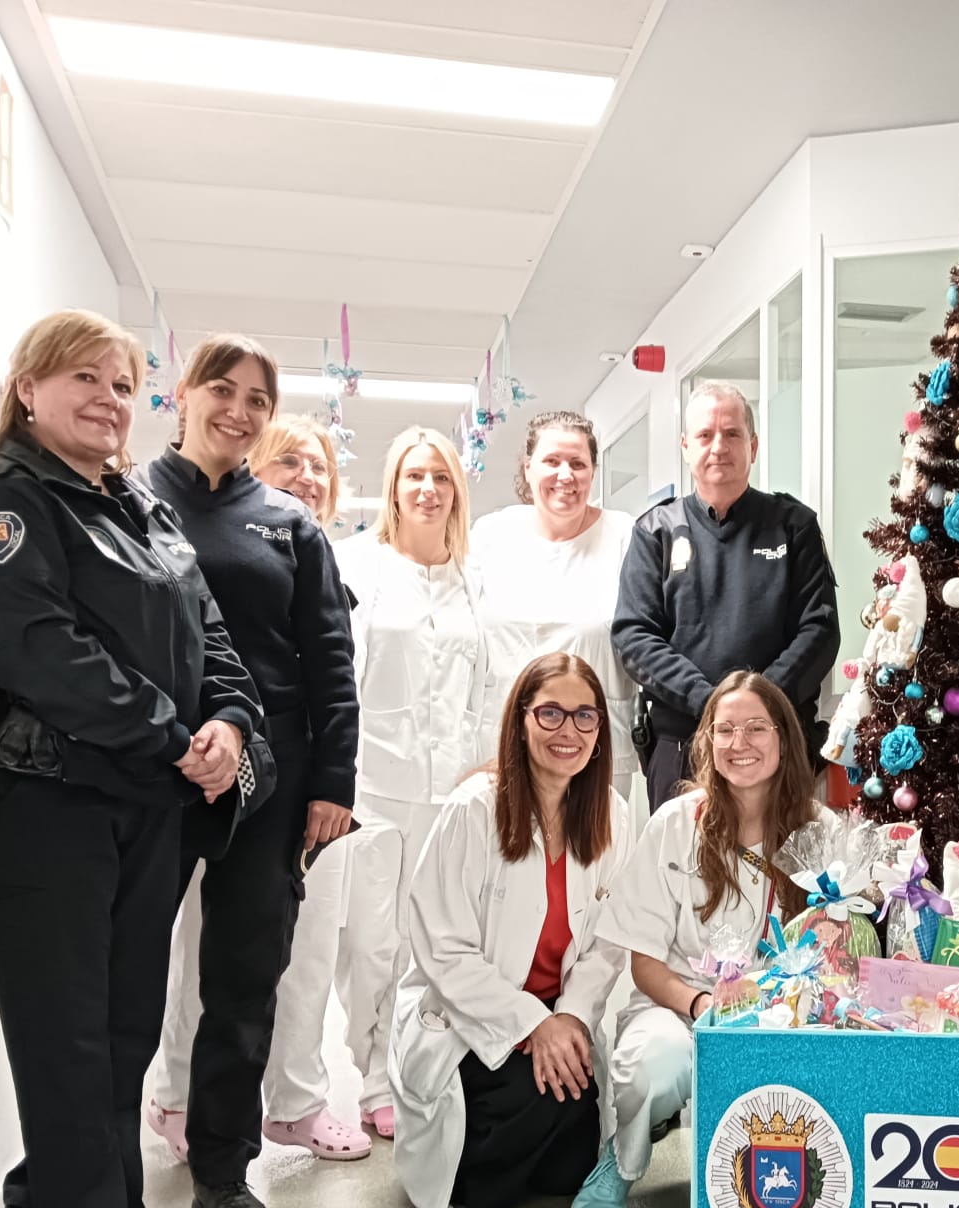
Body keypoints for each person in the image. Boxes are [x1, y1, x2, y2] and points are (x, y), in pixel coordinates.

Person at [0, 309, 259, 1208]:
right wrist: (176, 738)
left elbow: (215, 642)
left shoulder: (140, 513)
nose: (107, 399)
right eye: (83, 378)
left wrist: (227, 728)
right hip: (43, 809)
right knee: (69, 1047)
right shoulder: (0, 511)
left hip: (143, 808)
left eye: (122, 384)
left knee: (121, 1041)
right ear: (27, 390)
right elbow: (44, 655)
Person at [139, 334, 359, 1208]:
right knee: (122, 979)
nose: (237, 410)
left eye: (257, 399)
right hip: (149, 775)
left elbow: (329, 665)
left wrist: (331, 784)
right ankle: (95, 1163)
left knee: (243, 978)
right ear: (183, 394)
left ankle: (225, 1168)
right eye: (221, 390)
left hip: (270, 787)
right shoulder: (129, 501)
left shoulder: (289, 525)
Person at [574, 672, 830, 1208]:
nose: (740, 745)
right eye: (726, 730)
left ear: (785, 738)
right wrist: (699, 1006)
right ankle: (621, 1161)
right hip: (679, 1007)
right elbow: (644, 963)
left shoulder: (819, 832)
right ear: (707, 743)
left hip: (787, 1017)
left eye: (757, 728)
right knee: (654, 1066)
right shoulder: (674, 824)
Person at [389, 654, 632, 1208]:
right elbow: (442, 948)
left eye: (584, 717)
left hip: (556, 1018)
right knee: (525, 1103)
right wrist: (529, 1023)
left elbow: (608, 946)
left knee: (571, 1145)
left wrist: (569, 1019)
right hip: (472, 1019)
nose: (567, 732)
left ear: (600, 732)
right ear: (520, 718)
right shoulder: (474, 808)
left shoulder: (611, 816)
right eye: (550, 713)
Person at [335, 426, 489, 1140]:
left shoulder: (473, 578)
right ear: (393, 487)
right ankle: (366, 1071)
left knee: (430, 940)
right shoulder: (356, 566)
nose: (427, 490)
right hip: (372, 784)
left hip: (450, 788)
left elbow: (490, 685)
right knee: (371, 940)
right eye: (413, 477)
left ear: (457, 490)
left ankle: (406, 1067)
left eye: (441, 478)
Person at [613, 383, 840, 809]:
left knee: (780, 869)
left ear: (753, 446)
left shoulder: (794, 526)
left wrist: (755, 709)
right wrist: (711, 703)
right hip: (683, 744)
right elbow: (635, 635)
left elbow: (820, 630)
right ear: (685, 446)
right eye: (705, 435)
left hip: (776, 740)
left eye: (732, 434)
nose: (719, 446)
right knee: (680, 868)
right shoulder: (654, 532)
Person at [470, 410, 640, 801]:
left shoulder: (624, 536)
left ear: (593, 472)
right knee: (506, 857)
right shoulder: (492, 535)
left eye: (578, 463)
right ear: (528, 468)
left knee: (592, 857)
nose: (565, 475)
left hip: (594, 751)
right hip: (506, 745)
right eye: (552, 461)